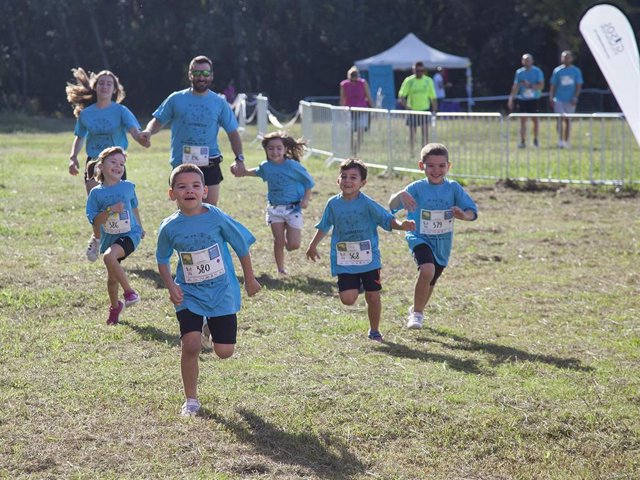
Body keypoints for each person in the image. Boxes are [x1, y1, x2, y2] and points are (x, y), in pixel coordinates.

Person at [156, 164, 261, 417]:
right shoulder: (169, 227)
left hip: (221, 291)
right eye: (182, 186)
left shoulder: (216, 217)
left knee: (224, 352)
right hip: (188, 293)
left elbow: (241, 247)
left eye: (195, 186)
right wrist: (171, 286)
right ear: (172, 194)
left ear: (204, 190)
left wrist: (249, 279)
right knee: (190, 345)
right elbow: (162, 258)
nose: (189, 191)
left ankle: (208, 326)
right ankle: (190, 400)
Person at [306, 158, 415, 342]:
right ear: (338, 180)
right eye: (344, 176)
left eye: (353, 177)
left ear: (362, 183)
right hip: (345, 259)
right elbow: (325, 225)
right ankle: (358, 284)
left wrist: (401, 225)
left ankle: (374, 330)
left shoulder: (367, 204)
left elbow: (387, 220)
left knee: (373, 296)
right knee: (348, 299)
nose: (348, 181)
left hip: (368, 258)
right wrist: (312, 245)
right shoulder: (333, 204)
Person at [389, 143, 477, 330]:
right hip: (418, 236)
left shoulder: (453, 188)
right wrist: (400, 195)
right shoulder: (416, 187)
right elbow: (392, 205)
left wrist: (463, 215)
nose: (436, 170)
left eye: (441, 166)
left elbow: (472, 211)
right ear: (422, 166)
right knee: (427, 270)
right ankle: (417, 315)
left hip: (442, 243)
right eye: (431, 166)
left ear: (448, 166)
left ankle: (416, 308)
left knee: (431, 279)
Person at [66, 68, 149, 262]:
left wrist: (142, 139)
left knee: (121, 204)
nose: (105, 86)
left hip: (115, 164)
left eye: (109, 84)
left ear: (114, 90)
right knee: (97, 204)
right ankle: (96, 238)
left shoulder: (121, 111)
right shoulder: (86, 114)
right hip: (94, 163)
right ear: (95, 87)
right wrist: (73, 157)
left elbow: (135, 131)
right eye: (101, 83)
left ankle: (120, 242)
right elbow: (80, 137)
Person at [140, 55, 246, 206]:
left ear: (211, 76)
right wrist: (148, 132)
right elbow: (158, 120)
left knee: (210, 212)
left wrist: (239, 159)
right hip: (181, 163)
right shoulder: (176, 99)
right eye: (196, 73)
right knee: (185, 211)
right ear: (190, 75)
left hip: (210, 163)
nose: (201, 77)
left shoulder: (219, 103)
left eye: (205, 73)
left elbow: (233, 133)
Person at [236, 131, 315, 275]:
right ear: (266, 150)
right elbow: (255, 172)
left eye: (279, 148)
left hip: (293, 209)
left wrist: (305, 199)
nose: (275, 151)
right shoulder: (266, 167)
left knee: (293, 245)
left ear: (285, 149)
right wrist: (241, 171)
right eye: (271, 148)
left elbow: (309, 182)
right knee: (278, 240)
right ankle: (281, 269)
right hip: (274, 209)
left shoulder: (292, 166)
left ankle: (287, 244)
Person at [85, 147, 145, 326]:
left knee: (109, 257)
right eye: (114, 162)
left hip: (129, 234)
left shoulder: (128, 186)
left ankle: (129, 293)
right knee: (112, 279)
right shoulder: (96, 193)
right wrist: (111, 210)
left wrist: (140, 226)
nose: (118, 166)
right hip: (109, 238)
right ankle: (115, 306)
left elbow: (134, 206)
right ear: (101, 166)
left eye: (122, 164)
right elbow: (95, 220)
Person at [398, 61, 438, 155]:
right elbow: (401, 96)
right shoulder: (409, 81)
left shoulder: (428, 81)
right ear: (413, 70)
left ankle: (426, 153)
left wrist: (435, 110)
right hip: (412, 111)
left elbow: (433, 97)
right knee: (412, 134)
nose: (419, 72)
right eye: (417, 70)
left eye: (421, 70)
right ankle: (412, 152)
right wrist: (407, 107)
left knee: (425, 134)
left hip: (425, 110)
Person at [508, 53, 545, 148]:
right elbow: (515, 86)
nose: (526, 61)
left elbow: (541, 86)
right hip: (522, 99)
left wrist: (530, 86)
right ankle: (522, 141)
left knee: (535, 120)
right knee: (522, 121)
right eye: (524, 60)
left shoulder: (537, 71)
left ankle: (535, 140)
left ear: (532, 61)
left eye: (528, 60)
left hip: (534, 99)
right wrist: (511, 98)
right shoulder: (519, 72)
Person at [549, 50, 583, 148]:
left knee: (568, 120)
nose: (565, 59)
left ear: (571, 58)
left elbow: (578, 85)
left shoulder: (576, 71)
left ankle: (567, 141)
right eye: (564, 57)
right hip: (559, 99)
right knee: (560, 119)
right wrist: (551, 97)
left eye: (568, 57)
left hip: (570, 99)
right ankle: (560, 140)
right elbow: (553, 85)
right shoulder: (557, 71)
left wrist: (575, 97)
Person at [339, 66, 373, 155]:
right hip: (349, 112)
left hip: (362, 111)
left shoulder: (363, 83)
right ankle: (351, 150)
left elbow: (368, 96)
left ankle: (356, 150)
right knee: (350, 132)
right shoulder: (344, 84)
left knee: (360, 132)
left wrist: (372, 107)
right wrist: (342, 111)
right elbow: (343, 99)